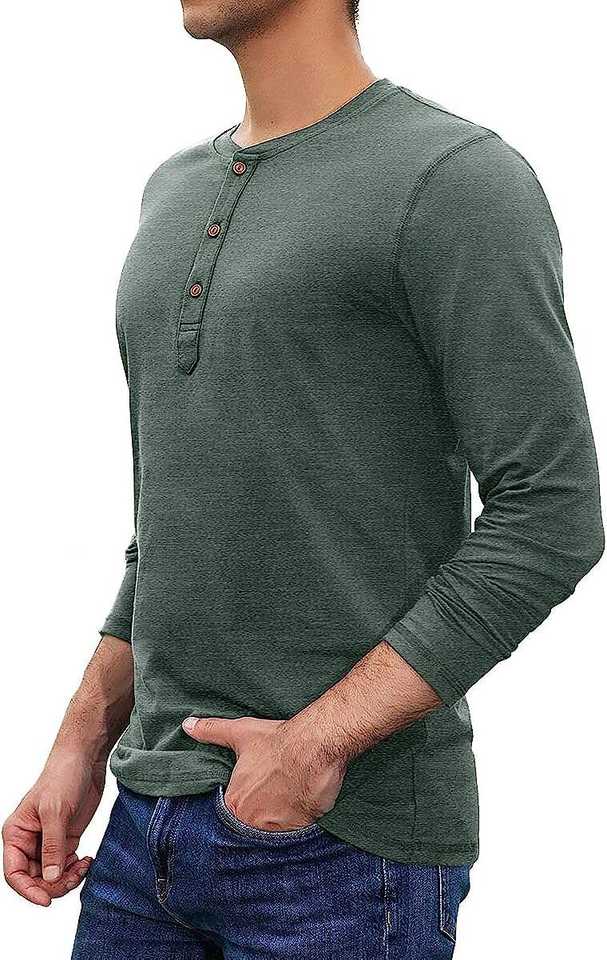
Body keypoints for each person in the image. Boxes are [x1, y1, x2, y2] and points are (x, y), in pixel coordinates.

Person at [3, 1, 603, 957]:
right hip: (140, 831)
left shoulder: (456, 178)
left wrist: (315, 744)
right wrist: (81, 742)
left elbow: (552, 512)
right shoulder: (171, 191)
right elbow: (173, 524)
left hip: (340, 844)